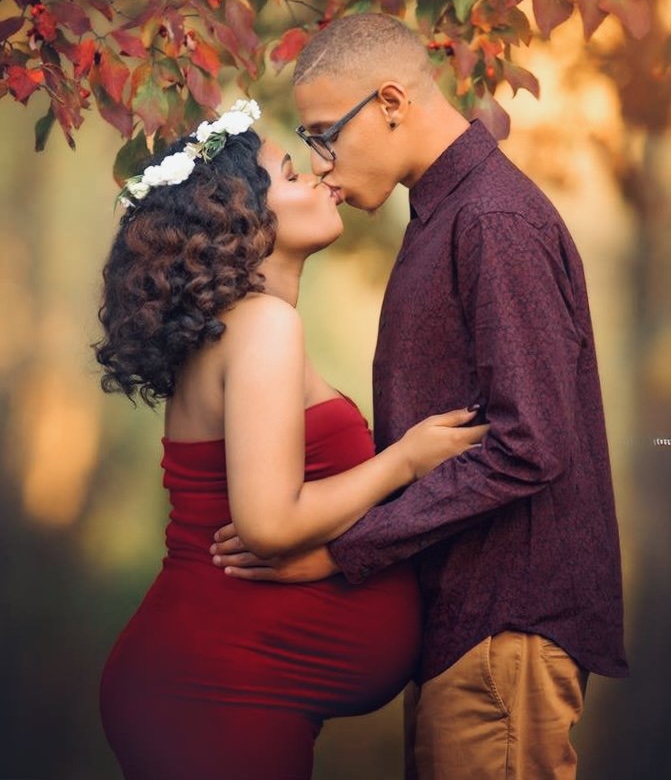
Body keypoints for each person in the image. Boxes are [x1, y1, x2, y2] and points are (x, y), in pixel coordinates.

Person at [210, 16, 629, 779]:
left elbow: (528, 444)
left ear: (393, 100)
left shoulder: (490, 219)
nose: (320, 164)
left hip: (506, 625)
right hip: (468, 628)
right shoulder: (447, 213)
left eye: (324, 136)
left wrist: (344, 552)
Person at [95, 98, 488, 780]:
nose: (317, 175)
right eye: (288, 172)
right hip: (214, 692)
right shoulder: (260, 327)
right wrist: (405, 459)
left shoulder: (243, 326)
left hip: (224, 686)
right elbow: (271, 523)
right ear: (241, 217)